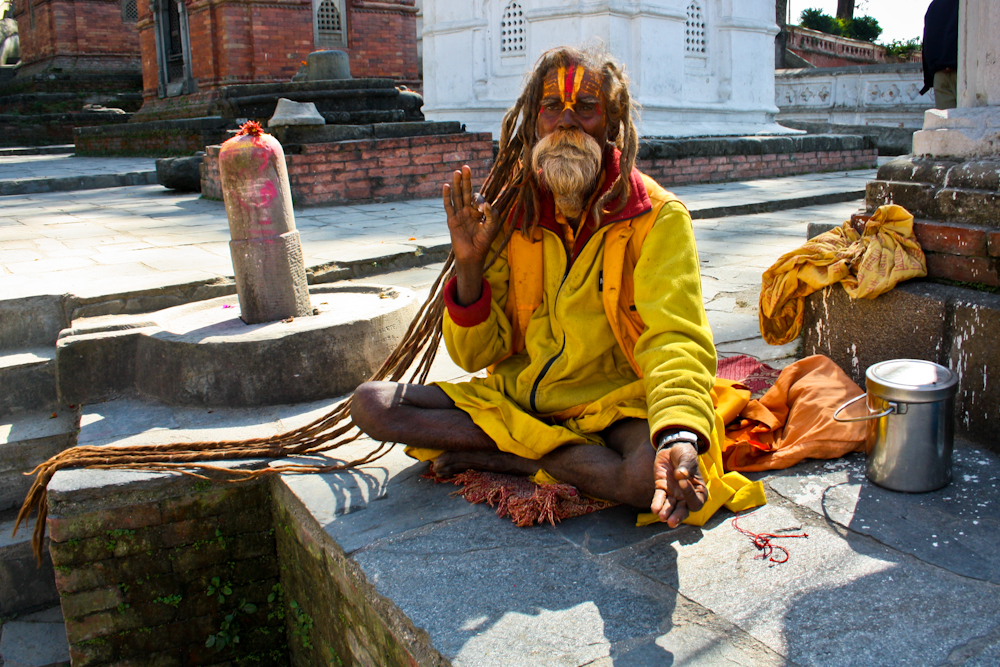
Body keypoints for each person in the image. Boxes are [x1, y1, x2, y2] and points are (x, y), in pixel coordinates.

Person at [353, 46, 748, 528]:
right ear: (533, 123)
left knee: (651, 478)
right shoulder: (512, 213)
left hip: (611, 407)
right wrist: (469, 266)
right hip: (519, 400)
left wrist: (678, 434)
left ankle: (516, 459)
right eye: (551, 108)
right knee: (372, 404)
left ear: (612, 124)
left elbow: (676, 338)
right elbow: (475, 357)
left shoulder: (657, 218)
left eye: (585, 107)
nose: (566, 122)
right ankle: (555, 458)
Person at [921, 0, 959, 110]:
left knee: (946, 124)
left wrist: (930, 76)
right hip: (963, 72)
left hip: (940, 73)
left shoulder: (935, 5)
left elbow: (928, 41)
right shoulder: (971, 5)